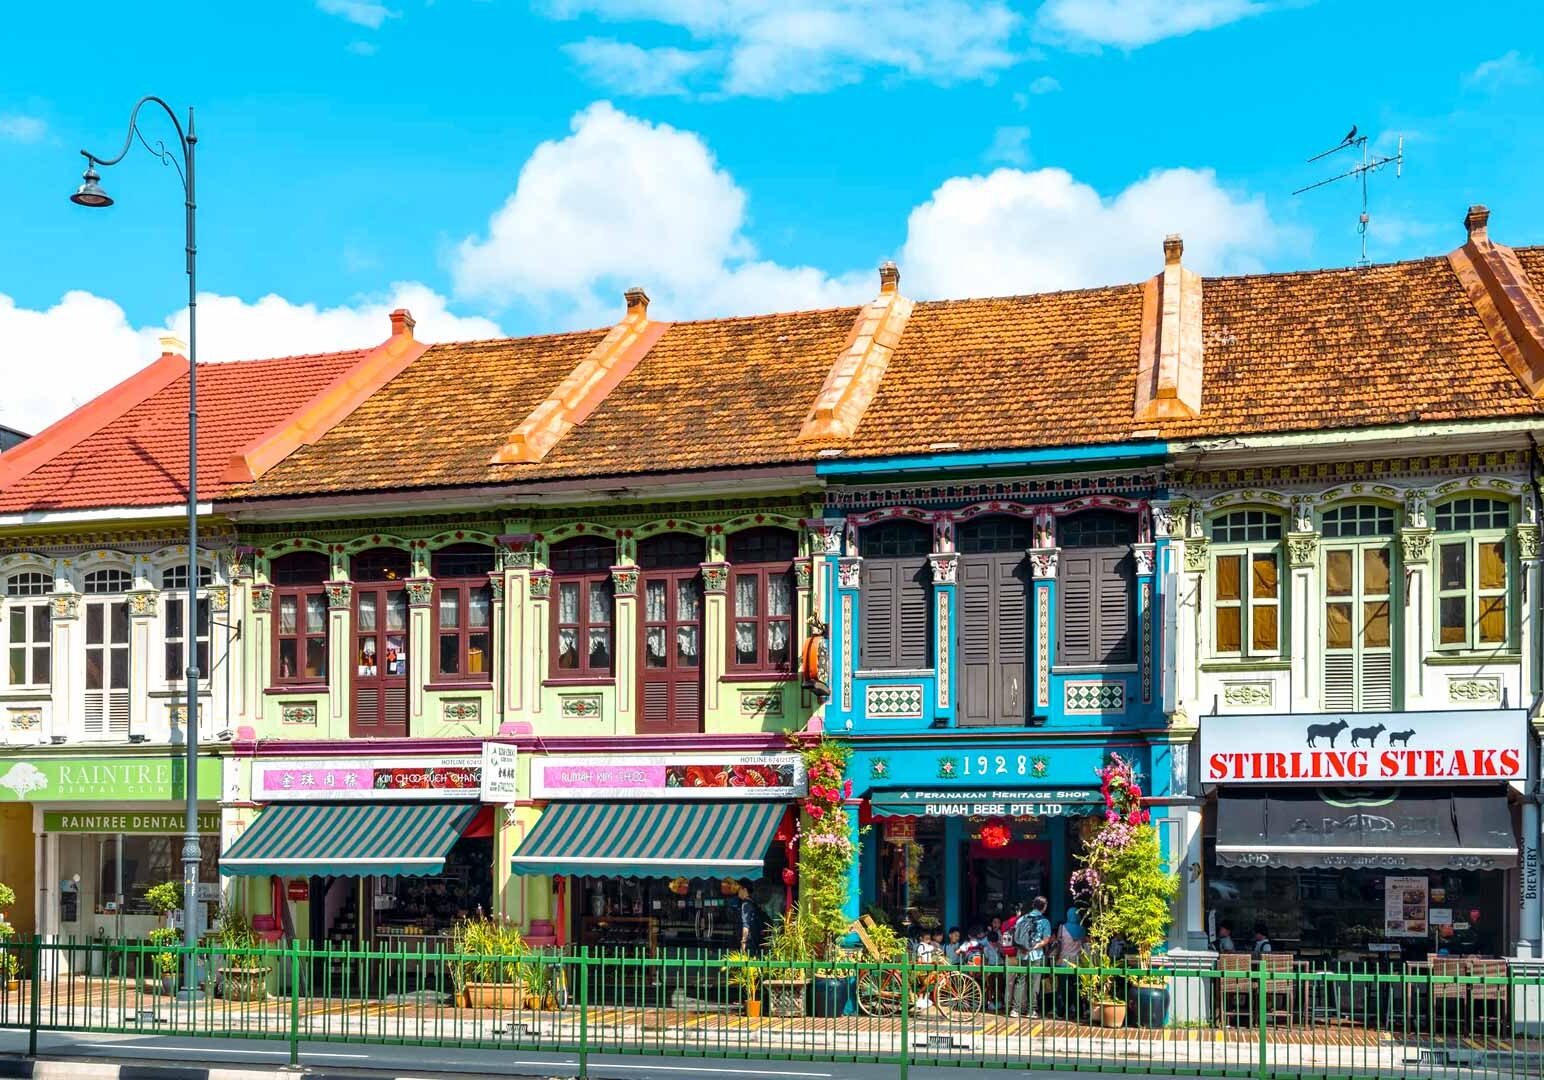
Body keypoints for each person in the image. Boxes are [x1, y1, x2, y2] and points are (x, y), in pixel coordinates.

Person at [1010, 896, 1052, 1019]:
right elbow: (1046, 940)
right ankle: (1031, 1010)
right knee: (1034, 983)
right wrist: (1035, 946)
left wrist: (1025, 948)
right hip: (1036, 955)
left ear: (1033, 905)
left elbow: (1016, 937)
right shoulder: (1044, 921)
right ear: (1044, 907)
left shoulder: (1022, 918)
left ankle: (1016, 1010)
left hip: (1022, 954)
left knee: (1020, 981)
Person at [737, 886, 761, 954]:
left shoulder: (746, 904)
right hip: (755, 939)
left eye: (739, 889)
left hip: (749, 941)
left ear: (744, 889)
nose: (737, 892)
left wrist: (743, 942)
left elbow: (746, 925)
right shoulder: (753, 902)